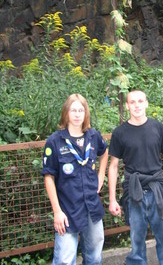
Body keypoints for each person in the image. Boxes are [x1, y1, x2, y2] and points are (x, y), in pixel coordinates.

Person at [108, 89, 163, 265]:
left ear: (147, 103)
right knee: (137, 241)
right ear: (127, 106)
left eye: (140, 101)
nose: (137, 105)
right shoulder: (119, 133)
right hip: (134, 192)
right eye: (132, 102)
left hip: (157, 189)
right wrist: (112, 199)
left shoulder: (158, 128)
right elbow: (113, 166)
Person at [41, 93, 108, 265]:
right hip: (67, 210)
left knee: (94, 257)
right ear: (66, 113)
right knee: (64, 260)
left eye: (81, 110)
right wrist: (57, 212)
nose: (77, 114)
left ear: (86, 113)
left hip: (92, 207)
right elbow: (48, 177)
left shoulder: (93, 136)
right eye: (73, 110)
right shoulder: (54, 141)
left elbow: (104, 151)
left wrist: (101, 176)